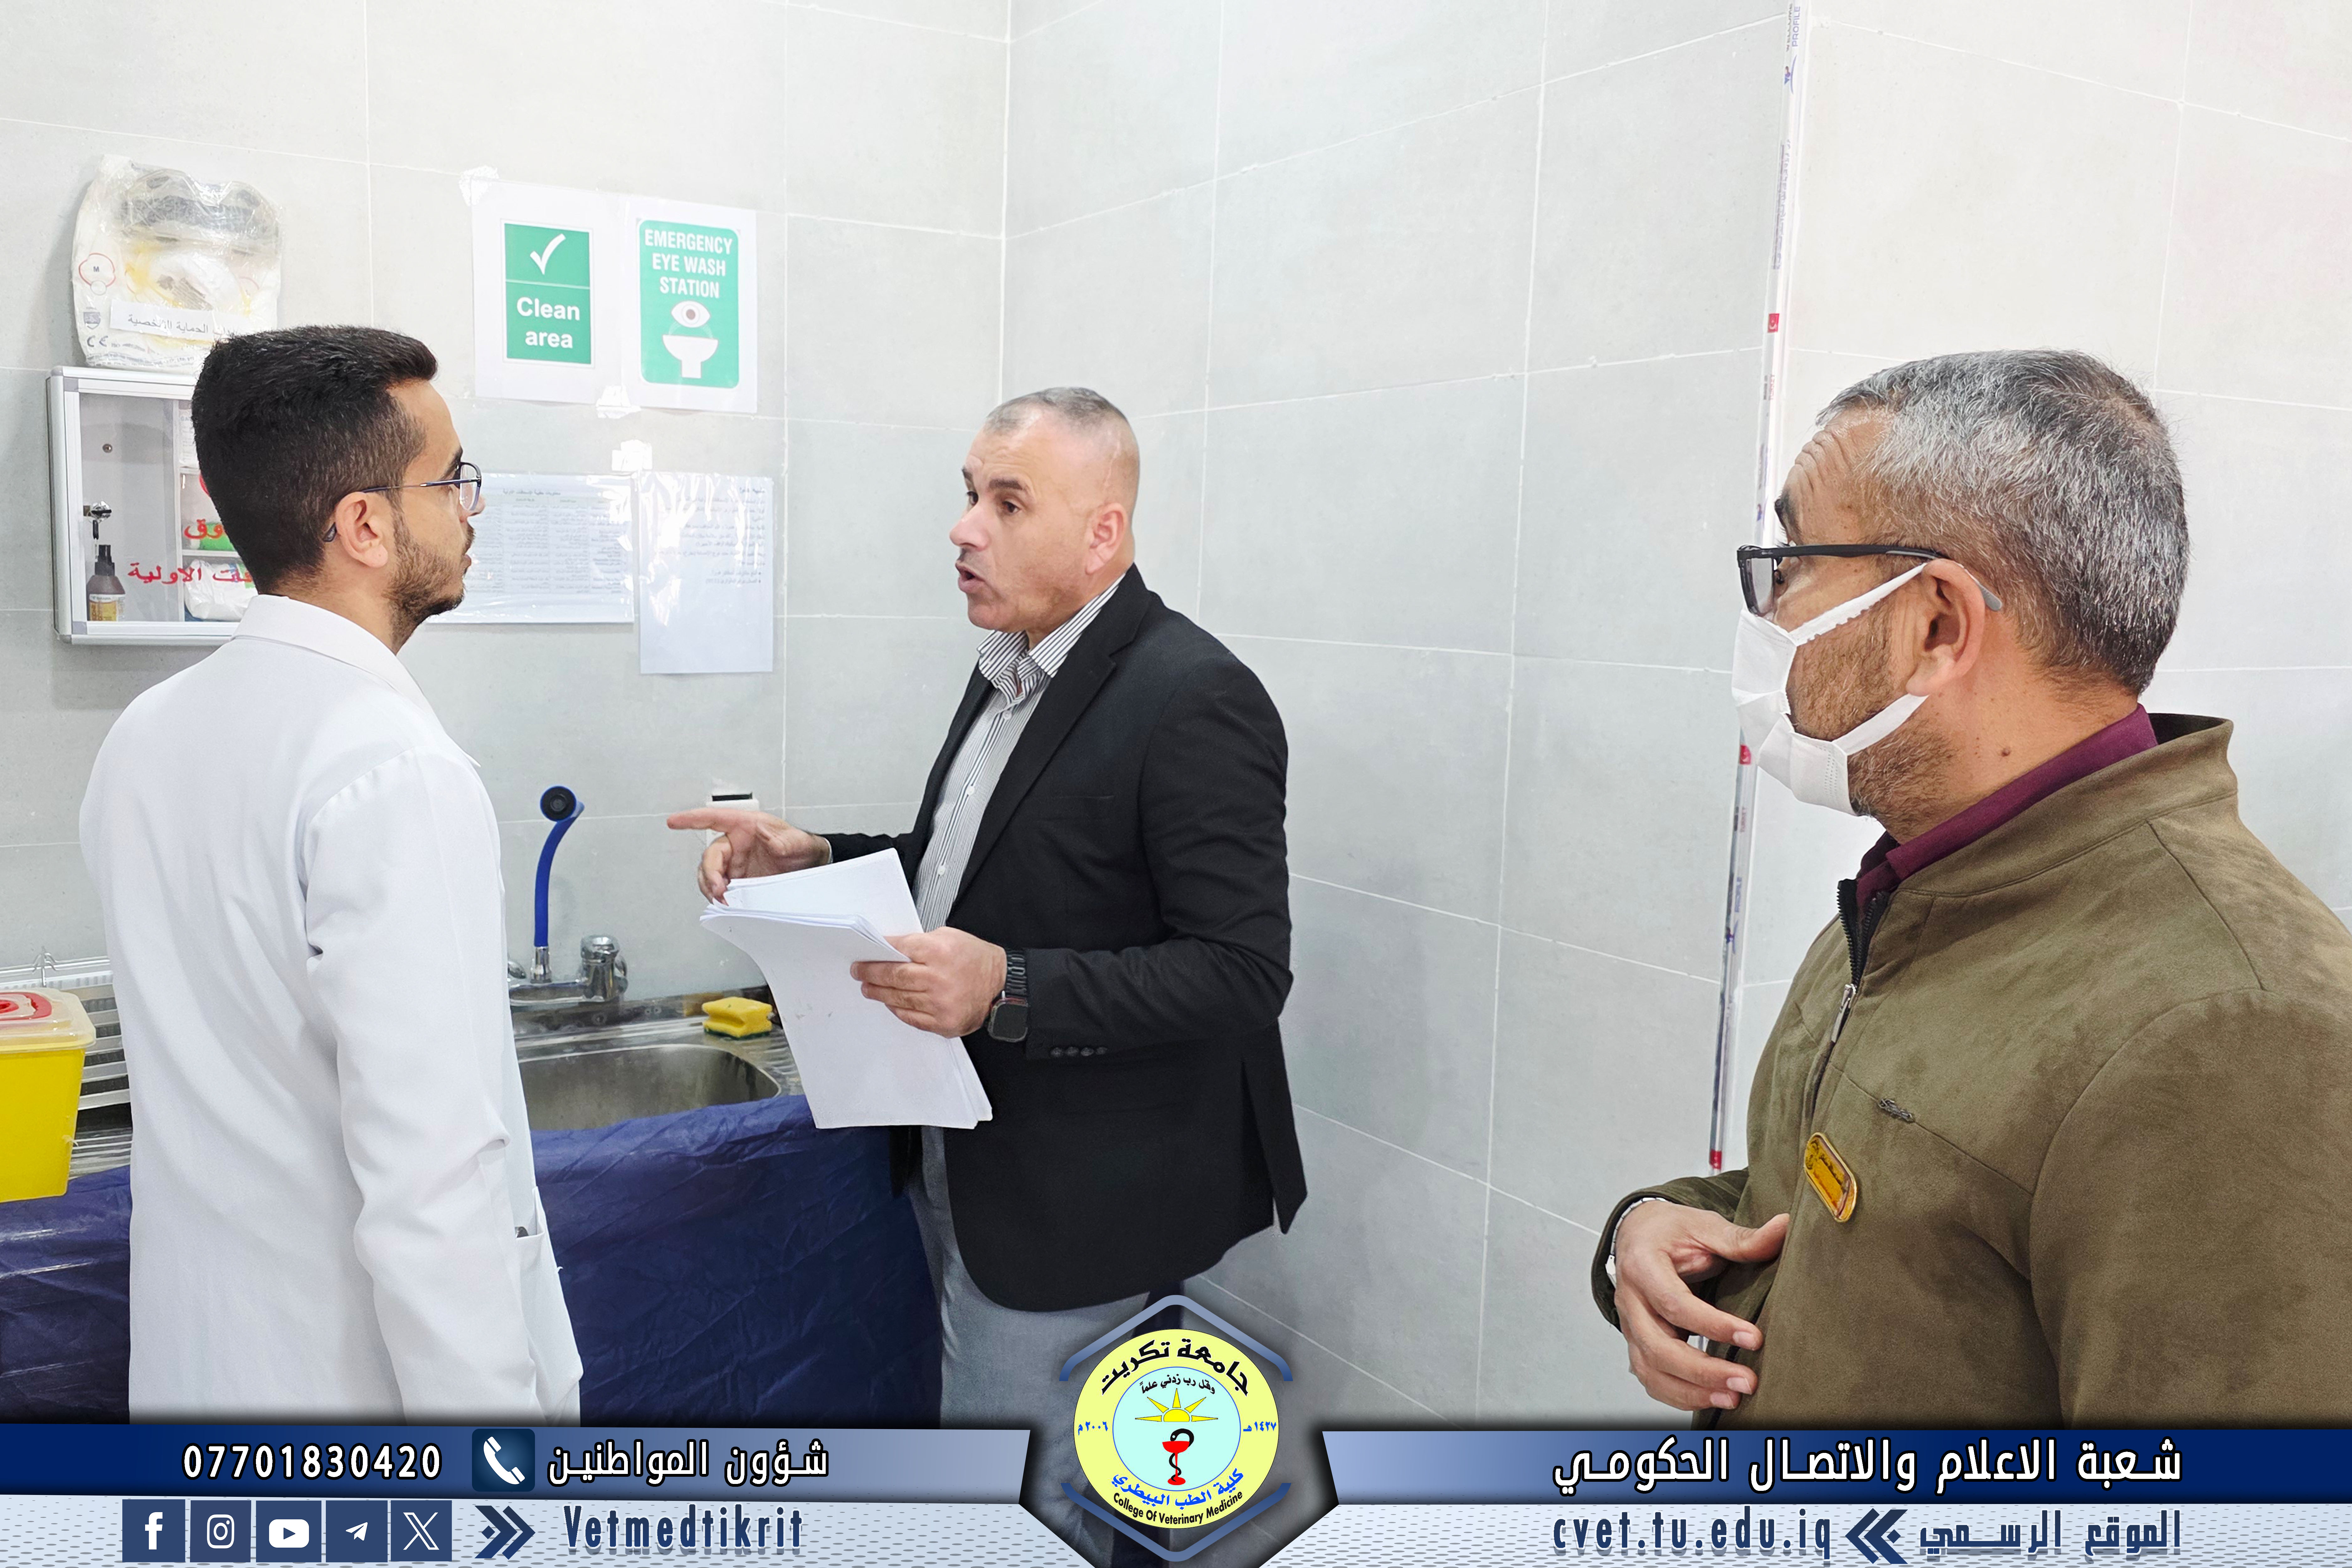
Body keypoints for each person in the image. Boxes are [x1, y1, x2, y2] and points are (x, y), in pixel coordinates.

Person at [1597, 348, 2352, 1426]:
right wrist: (1655, 1227)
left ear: (1937, 625)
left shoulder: (2235, 1028)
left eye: (1791, 567)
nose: (1768, 617)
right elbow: (1886, 1211)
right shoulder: (1933, 883)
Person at [671, 387, 1305, 1560]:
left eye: (1008, 503)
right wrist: (818, 854)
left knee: (1017, 1510)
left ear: (1102, 534)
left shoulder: (1191, 696)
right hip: (966, 1148)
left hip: (1082, 1194)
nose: (964, 528)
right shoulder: (1008, 666)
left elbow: (1239, 971)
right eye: (970, 495)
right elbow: (968, 870)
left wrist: (1006, 988)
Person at [80, 326, 580, 1422]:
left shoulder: (146, 735)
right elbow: (434, 1181)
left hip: (198, 1376)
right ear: (364, 524)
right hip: (362, 1411)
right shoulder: (392, 768)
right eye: (453, 480)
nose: (471, 511)